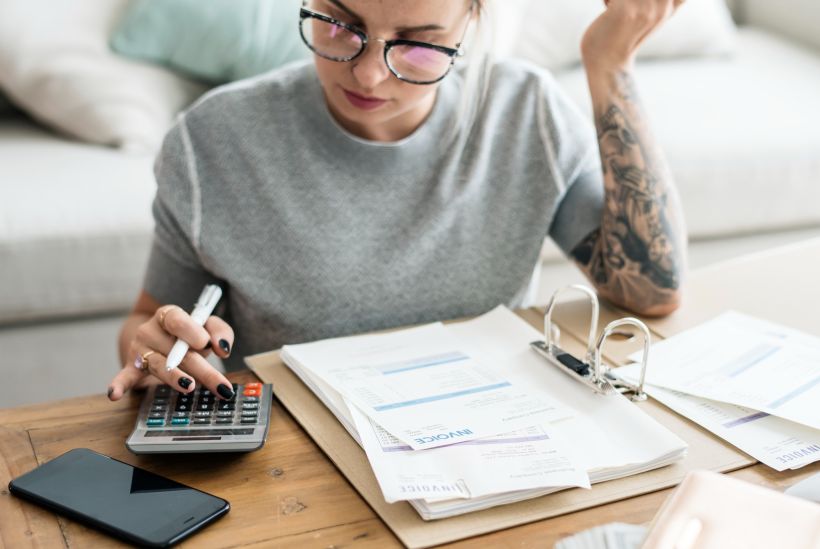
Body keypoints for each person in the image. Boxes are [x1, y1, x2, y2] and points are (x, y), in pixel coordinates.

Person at [108, 0, 687, 402]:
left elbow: (650, 290)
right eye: (340, 24)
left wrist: (611, 64)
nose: (368, 76)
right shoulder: (212, 142)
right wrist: (151, 350)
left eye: (418, 45)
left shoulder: (526, 113)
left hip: (492, 435)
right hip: (297, 461)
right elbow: (149, 320)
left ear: (471, 22)